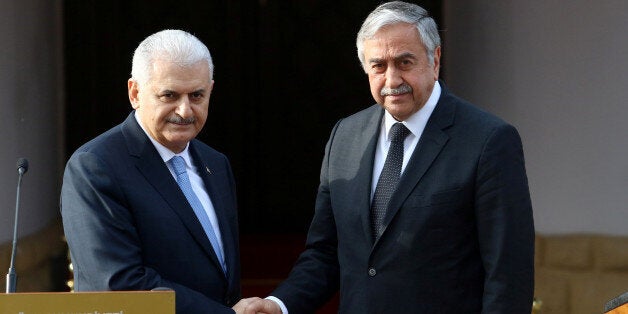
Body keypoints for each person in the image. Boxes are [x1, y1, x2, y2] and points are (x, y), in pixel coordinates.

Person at [235, 1, 535, 313]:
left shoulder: (488, 140)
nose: (392, 80)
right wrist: (278, 305)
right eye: (378, 66)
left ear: (435, 60)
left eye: (405, 63)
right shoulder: (345, 136)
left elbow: (508, 273)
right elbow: (326, 253)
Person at [61, 29, 241, 314]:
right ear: (135, 93)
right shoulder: (96, 166)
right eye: (169, 95)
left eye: (197, 95)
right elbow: (120, 284)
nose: (185, 111)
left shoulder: (215, 163)